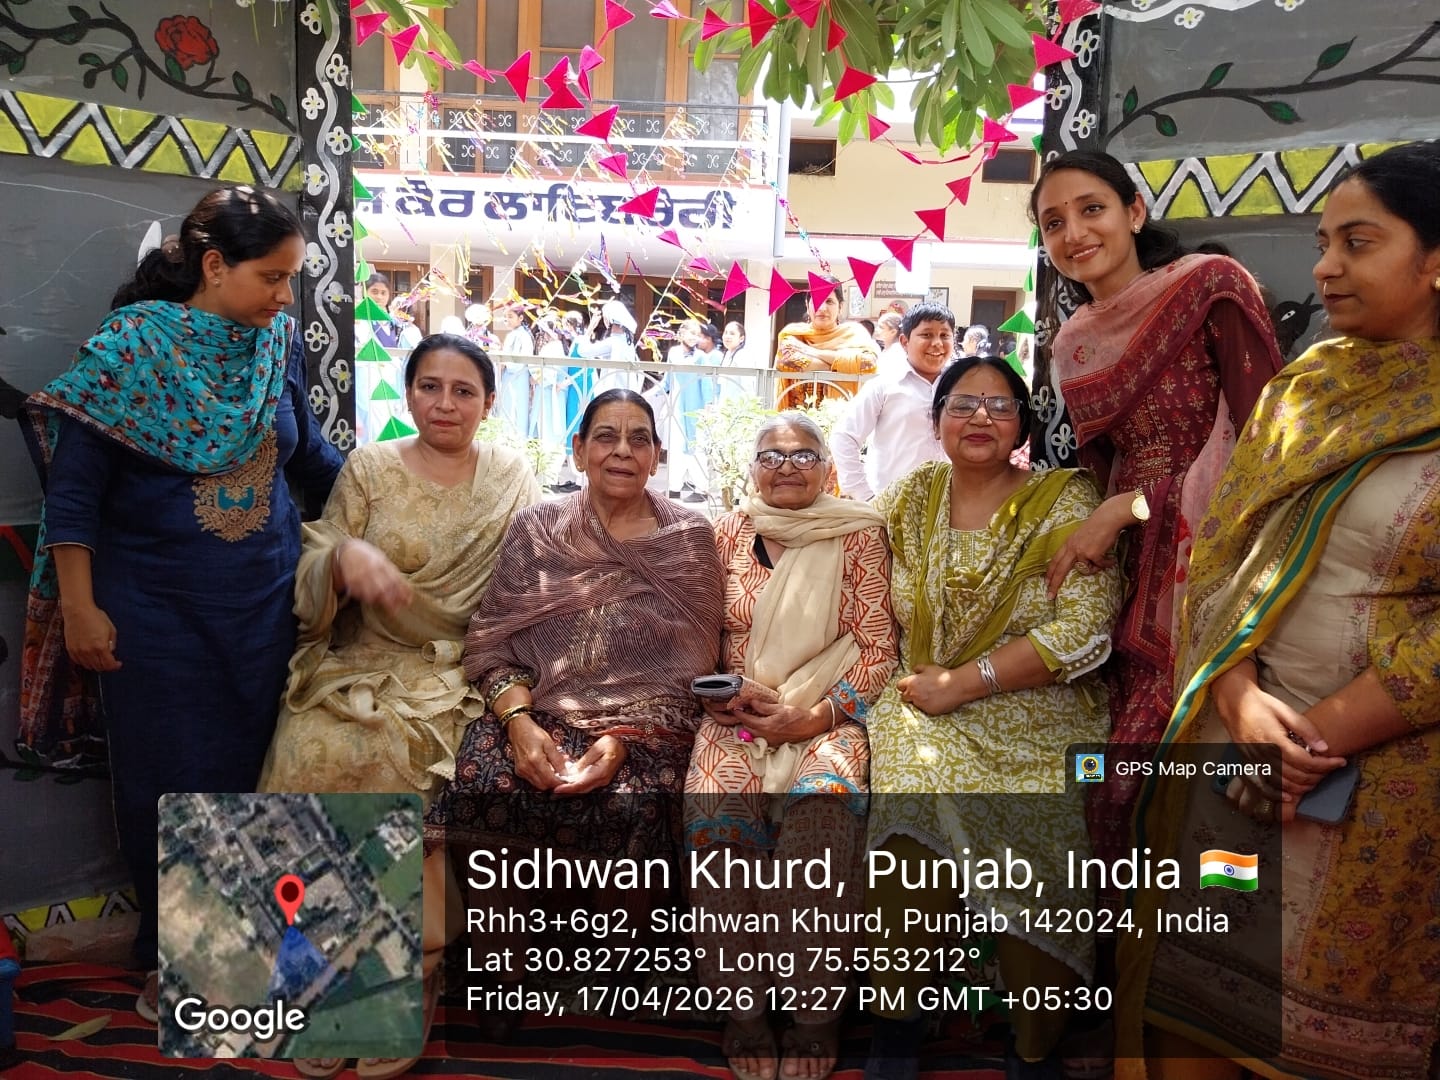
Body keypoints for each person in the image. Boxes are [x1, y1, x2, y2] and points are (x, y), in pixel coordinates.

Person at [1119, 141, 1440, 1080]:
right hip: (1239, 753)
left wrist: (1316, 736)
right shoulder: (1309, 388)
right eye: (1322, 243)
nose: (1326, 267)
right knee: (1194, 1013)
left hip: (1383, 784)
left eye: (1358, 242)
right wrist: (1240, 697)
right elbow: (1221, 549)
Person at [17, 186, 344, 1020]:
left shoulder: (275, 348)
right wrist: (81, 608)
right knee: (168, 787)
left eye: (293, 280)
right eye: (272, 278)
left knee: (257, 781)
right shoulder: (129, 350)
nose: (285, 298)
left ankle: (249, 949)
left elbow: (310, 457)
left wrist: (410, 496)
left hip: (265, 609)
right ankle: (176, 957)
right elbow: (75, 496)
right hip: (155, 617)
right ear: (214, 265)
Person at [421, 388, 724, 1023]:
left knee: (640, 803)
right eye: (606, 437)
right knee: (486, 779)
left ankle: (616, 977)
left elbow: (694, 668)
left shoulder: (689, 536)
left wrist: (620, 739)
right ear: (579, 450)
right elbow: (491, 643)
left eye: (639, 439)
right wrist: (518, 722)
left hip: (647, 728)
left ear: (658, 456)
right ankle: (495, 973)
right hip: (541, 711)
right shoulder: (537, 529)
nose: (622, 451)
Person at [863, 357, 1122, 1080]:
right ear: (936, 419)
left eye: (1000, 405)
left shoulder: (1064, 502)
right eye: (962, 404)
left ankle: (1033, 1037)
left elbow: (1082, 630)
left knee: (1038, 825)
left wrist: (967, 683)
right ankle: (898, 1022)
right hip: (922, 702)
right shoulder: (913, 495)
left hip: (1036, 708)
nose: (980, 417)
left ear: (1023, 426)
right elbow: (850, 547)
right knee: (908, 813)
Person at [1029, 149, 1284, 865]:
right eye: (1054, 223)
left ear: (1134, 212)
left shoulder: (1210, 285)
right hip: (1133, 577)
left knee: (1160, 786)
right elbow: (1100, 472)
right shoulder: (1074, 344)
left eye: (1092, 209)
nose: (1075, 232)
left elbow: (1266, 442)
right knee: (1106, 792)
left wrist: (1129, 509)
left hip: (1224, 558)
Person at [685, 412, 898, 1080]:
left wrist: (812, 719)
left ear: (828, 468)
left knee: (821, 820)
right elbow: (699, 636)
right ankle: (744, 1010)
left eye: (804, 455)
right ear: (751, 468)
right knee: (716, 820)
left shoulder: (858, 533)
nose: (786, 466)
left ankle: (814, 1013)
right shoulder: (725, 532)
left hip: (827, 717)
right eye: (771, 456)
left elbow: (878, 649)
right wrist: (717, 695)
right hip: (737, 718)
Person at [258, 334, 541, 802]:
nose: (444, 404)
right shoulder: (369, 468)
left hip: (461, 667)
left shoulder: (512, 476)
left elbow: (534, 578)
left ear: (489, 403)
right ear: (408, 394)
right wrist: (340, 561)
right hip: (362, 661)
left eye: (463, 391)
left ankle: (400, 856)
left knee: (412, 763)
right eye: (429, 387)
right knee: (310, 745)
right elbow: (320, 555)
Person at [830, 302, 956, 501]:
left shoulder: (962, 387)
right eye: (927, 335)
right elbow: (844, 437)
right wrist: (865, 496)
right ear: (905, 341)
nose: (937, 343)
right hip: (891, 504)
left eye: (944, 335)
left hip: (947, 504)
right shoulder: (885, 385)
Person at [775, 287, 878, 407]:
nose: (822, 308)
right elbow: (787, 362)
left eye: (829, 301)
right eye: (816, 300)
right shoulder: (794, 334)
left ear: (840, 307)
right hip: (798, 414)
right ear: (807, 306)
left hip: (842, 413)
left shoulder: (854, 333)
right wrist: (843, 366)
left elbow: (868, 363)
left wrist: (811, 351)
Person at [575, 298, 637, 395]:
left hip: (614, 394)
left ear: (608, 319)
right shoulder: (626, 341)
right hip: (625, 392)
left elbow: (582, 351)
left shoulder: (613, 342)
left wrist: (590, 328)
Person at [493, 301, 534, 439]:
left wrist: (505, 363)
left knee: (516, 410)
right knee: (507, 407)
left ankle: (516, 440)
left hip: (517, 377)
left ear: (520, 318)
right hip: (508, 376)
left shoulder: (523, 336)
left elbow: (522, 359)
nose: (507, 320)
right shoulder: (513, 334)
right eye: (506, 317)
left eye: (510, 316)